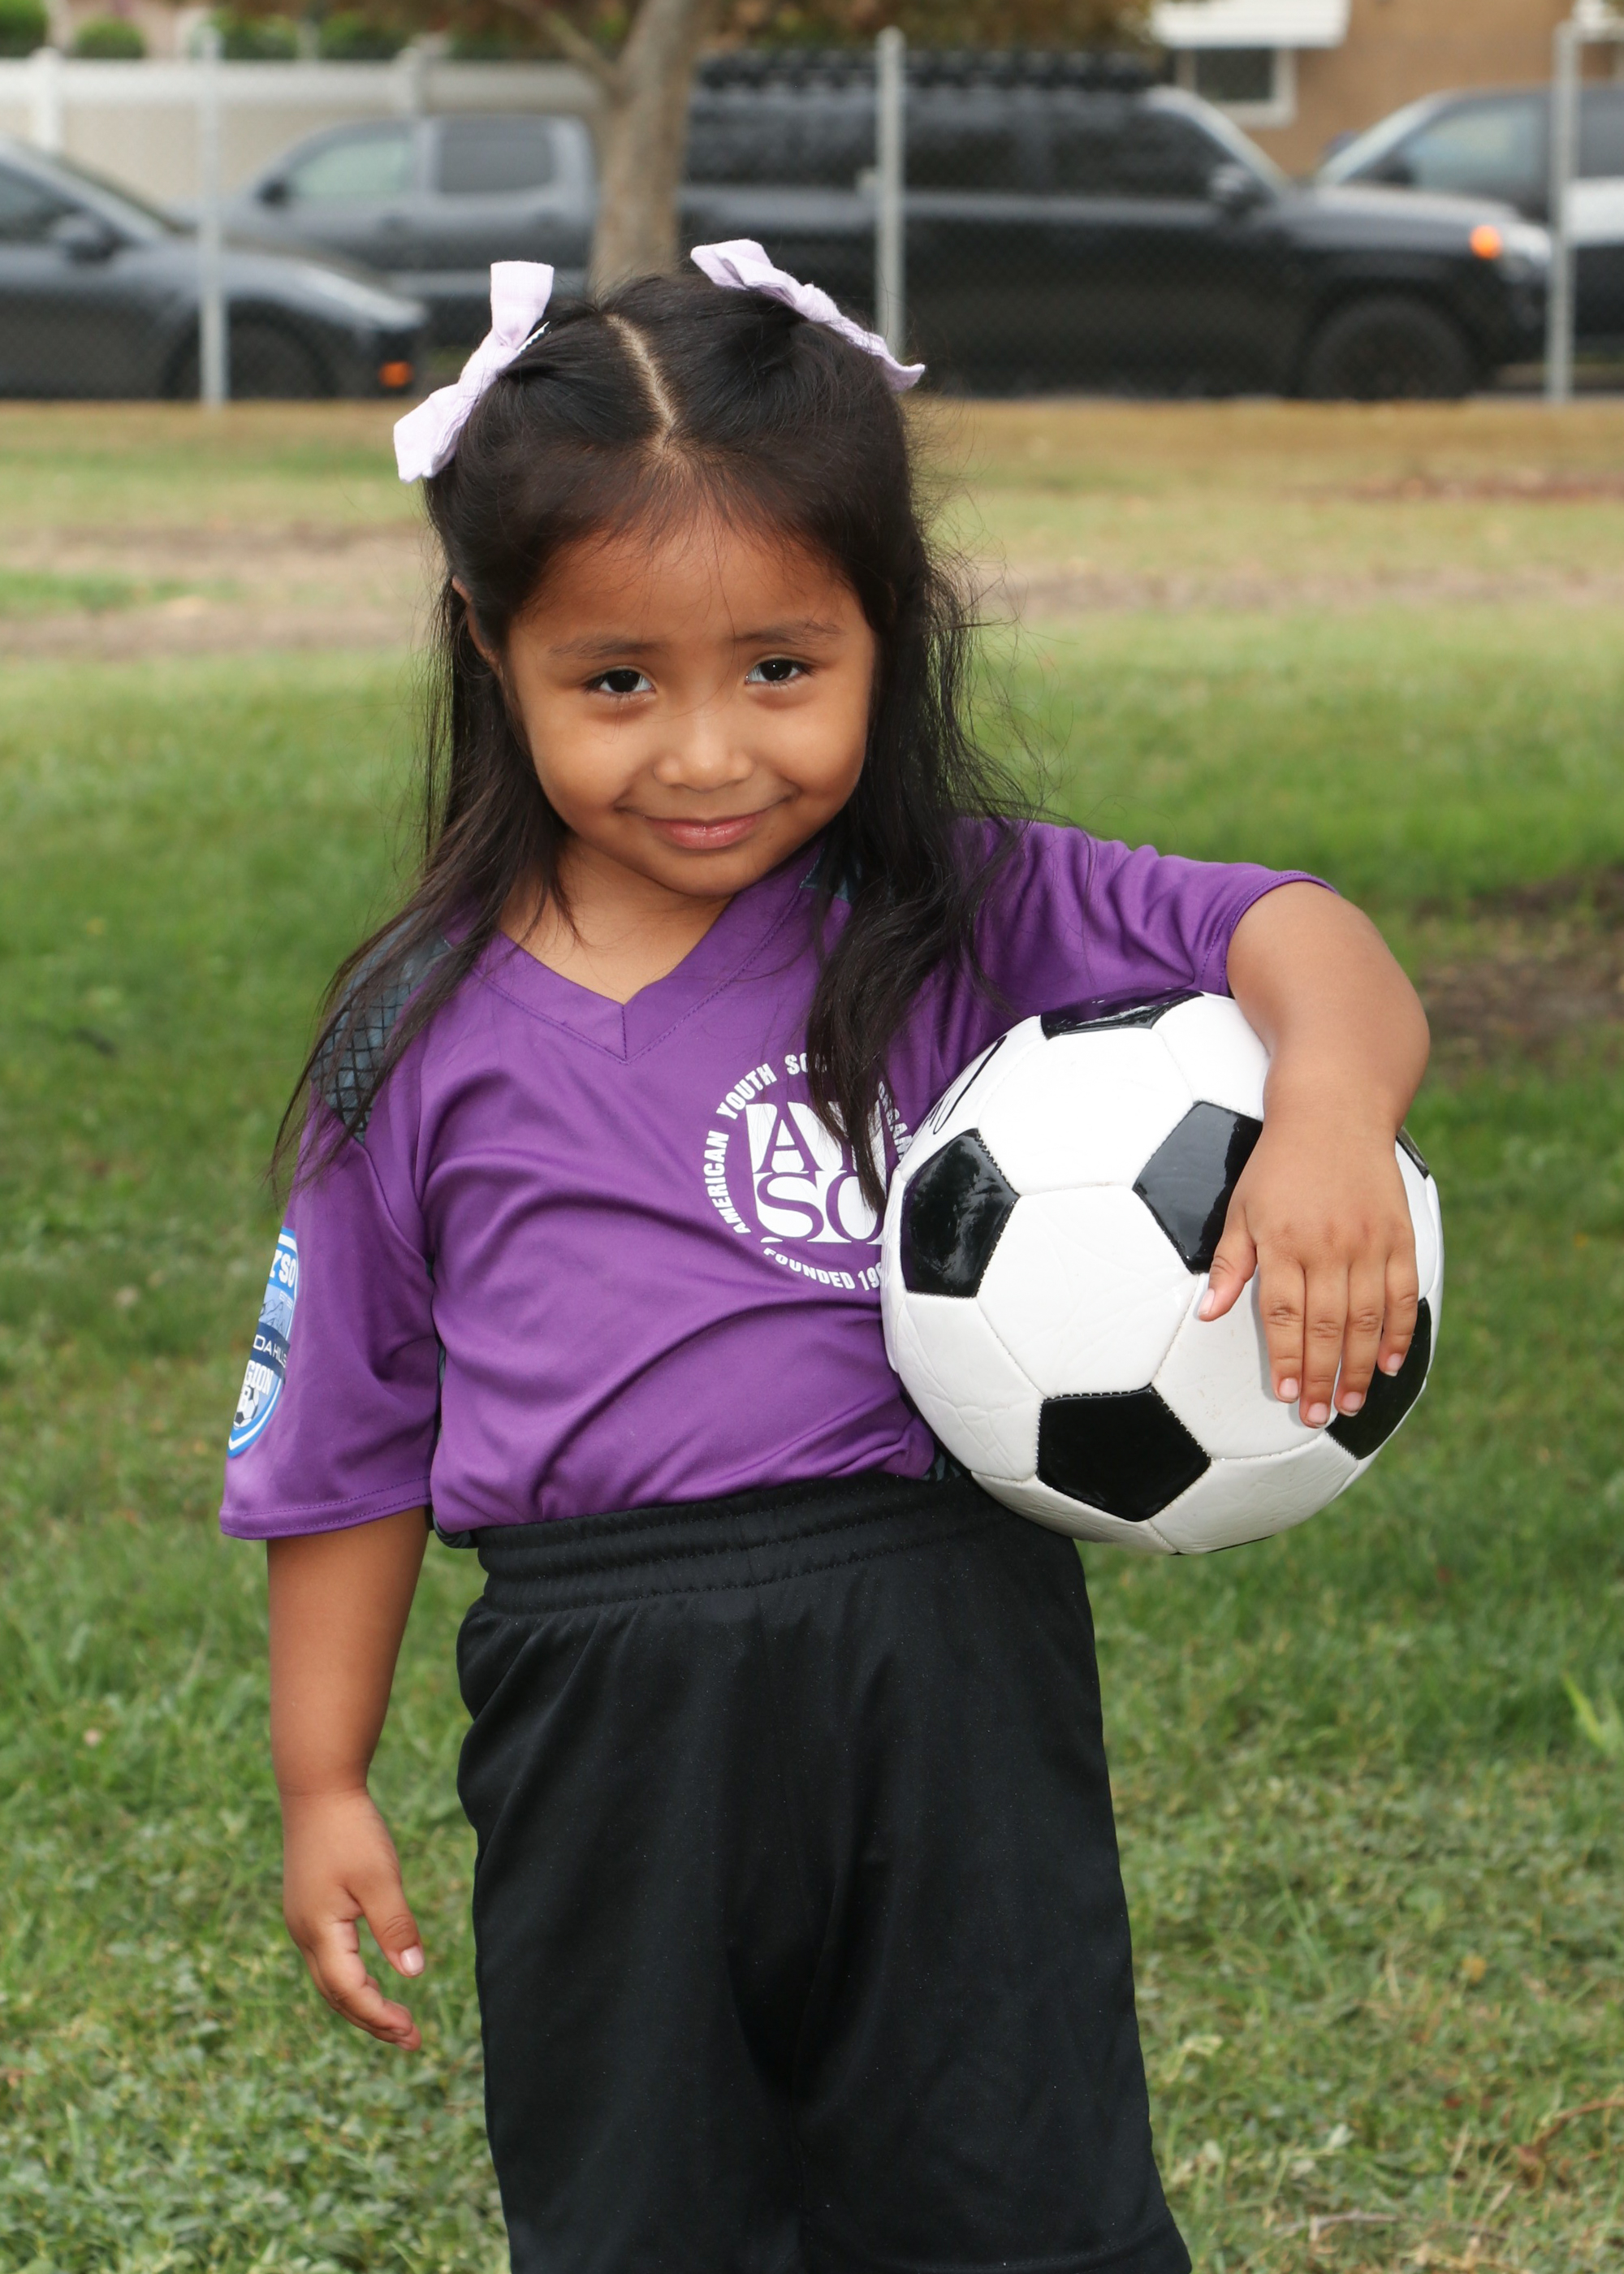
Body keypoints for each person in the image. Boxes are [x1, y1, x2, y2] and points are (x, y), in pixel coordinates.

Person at [221, 244, 1429, 2274]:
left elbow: (1303, 937)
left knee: (1013, 2192)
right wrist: (319, 1775)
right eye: (619, 681)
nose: (707, 753)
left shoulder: (958, 910)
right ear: (492, 648)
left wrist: (1323, 1113)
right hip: (602, 1705)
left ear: (888, 625)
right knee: (647, 2211)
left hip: (944, 1658)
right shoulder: (406, 1035)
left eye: (781, 668)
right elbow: (346, 1438)